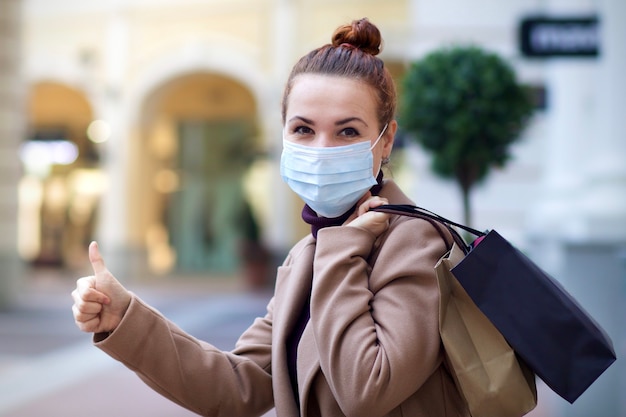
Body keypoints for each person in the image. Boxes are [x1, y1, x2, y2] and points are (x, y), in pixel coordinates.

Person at [71, 17, 469, 417]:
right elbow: (236, 387)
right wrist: (125, 316)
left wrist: (341, 250)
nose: (321, 148)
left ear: (386, 141)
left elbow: (368, 389)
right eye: (303, 129)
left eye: (347, 132)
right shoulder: (307, 253)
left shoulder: (414, 241)